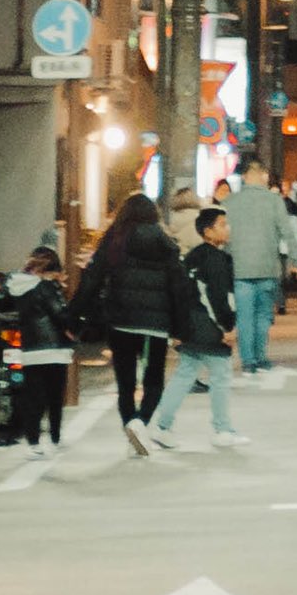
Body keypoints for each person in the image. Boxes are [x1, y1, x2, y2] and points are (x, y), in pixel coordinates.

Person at [71, 193, 185, 455]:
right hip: (156, 324)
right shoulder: (164, 241)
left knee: (126, 382)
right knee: (154, 378)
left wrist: (74, 314)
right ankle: (140, 422)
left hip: (121, 320)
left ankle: (131, 425)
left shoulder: (115, 240)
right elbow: (179, 286)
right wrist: (180, 327)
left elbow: (92, 278)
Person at [160, 206, 248, 448]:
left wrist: (175, 329)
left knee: (185, 374)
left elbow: (179, 294)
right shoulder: (217, 260)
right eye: (222, 225)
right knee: (220, 376)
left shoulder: (191, 258)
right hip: (210, 328)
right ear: (208, 231)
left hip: (189, 326)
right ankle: (222, 430)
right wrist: (227, 327)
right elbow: (217, 298)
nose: (227, 229)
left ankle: (161, 426)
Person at [0, 245, 76, 448]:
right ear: (50, 271)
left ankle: (33, 442)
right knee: (55, 397)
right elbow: (60, 315)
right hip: (54, 350)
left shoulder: (16, 285)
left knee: (34, 398)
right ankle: (56, 438)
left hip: (30, 349)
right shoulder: (47, 287)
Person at [222, 169, 297, 376]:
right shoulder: (274, 201)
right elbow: (286, 230)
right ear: (264, 178)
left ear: (245, 179)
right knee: (263, 316)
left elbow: (223, 233)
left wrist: (225, 255)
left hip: (240, 269)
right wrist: (296, 257)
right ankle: (260, 357)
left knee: (244, 317)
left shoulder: (230, 202)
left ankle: (248, 361)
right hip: (267, 267)